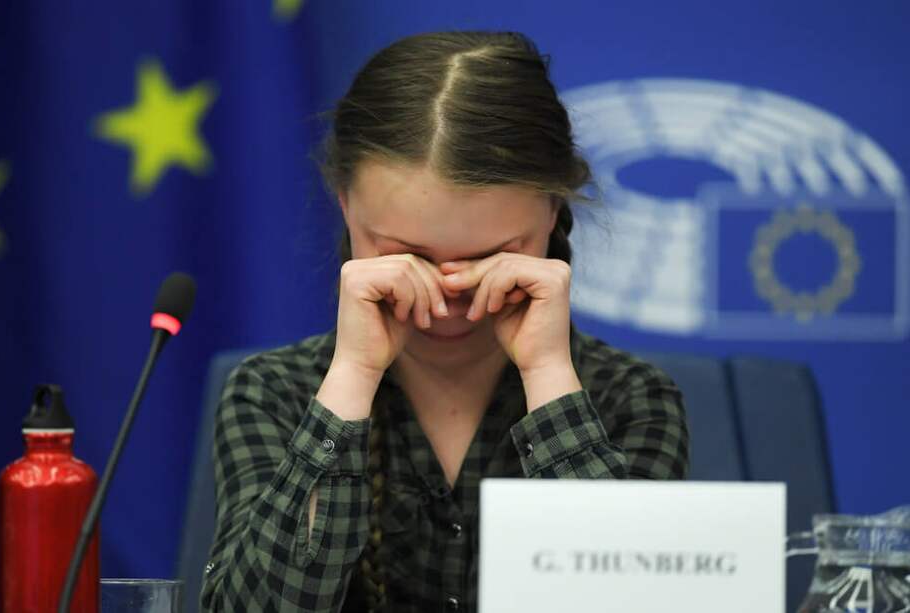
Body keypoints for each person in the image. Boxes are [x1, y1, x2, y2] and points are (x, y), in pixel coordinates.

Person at [200, 31, 689, 613]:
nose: (450, 292)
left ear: (555, 209)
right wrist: (352, 377)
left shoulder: (630, 397)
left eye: (493, 255)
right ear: (344, 202)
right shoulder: (274, 392)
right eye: (408, 255)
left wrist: (549, 373)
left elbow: (631, 601)